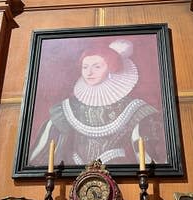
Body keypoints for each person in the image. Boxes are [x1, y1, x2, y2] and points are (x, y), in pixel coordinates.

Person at [29, 39, 165, 167]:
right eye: (85, 67)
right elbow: (42, 153)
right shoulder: (67, 108)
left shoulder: (134, 107)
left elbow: (146, 154)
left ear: (111, 68)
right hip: (74, 172)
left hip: (118, 171)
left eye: (97, 67)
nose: (89, 72)